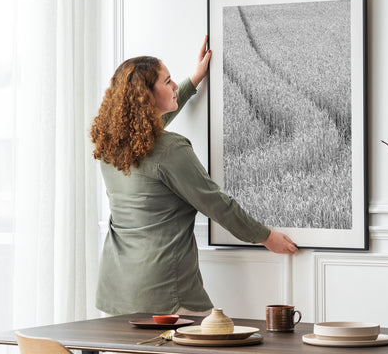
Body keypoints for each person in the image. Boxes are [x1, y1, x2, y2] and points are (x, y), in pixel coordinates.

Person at [90, 37, 298, 316]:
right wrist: (266, 236)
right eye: (168, 82)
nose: (175, 85)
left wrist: (195, 79)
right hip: (164, 292)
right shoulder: (171, 149)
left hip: (116, 289)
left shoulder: (111, 146)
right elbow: (217, 204)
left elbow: (149, 135)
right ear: (147, 96)